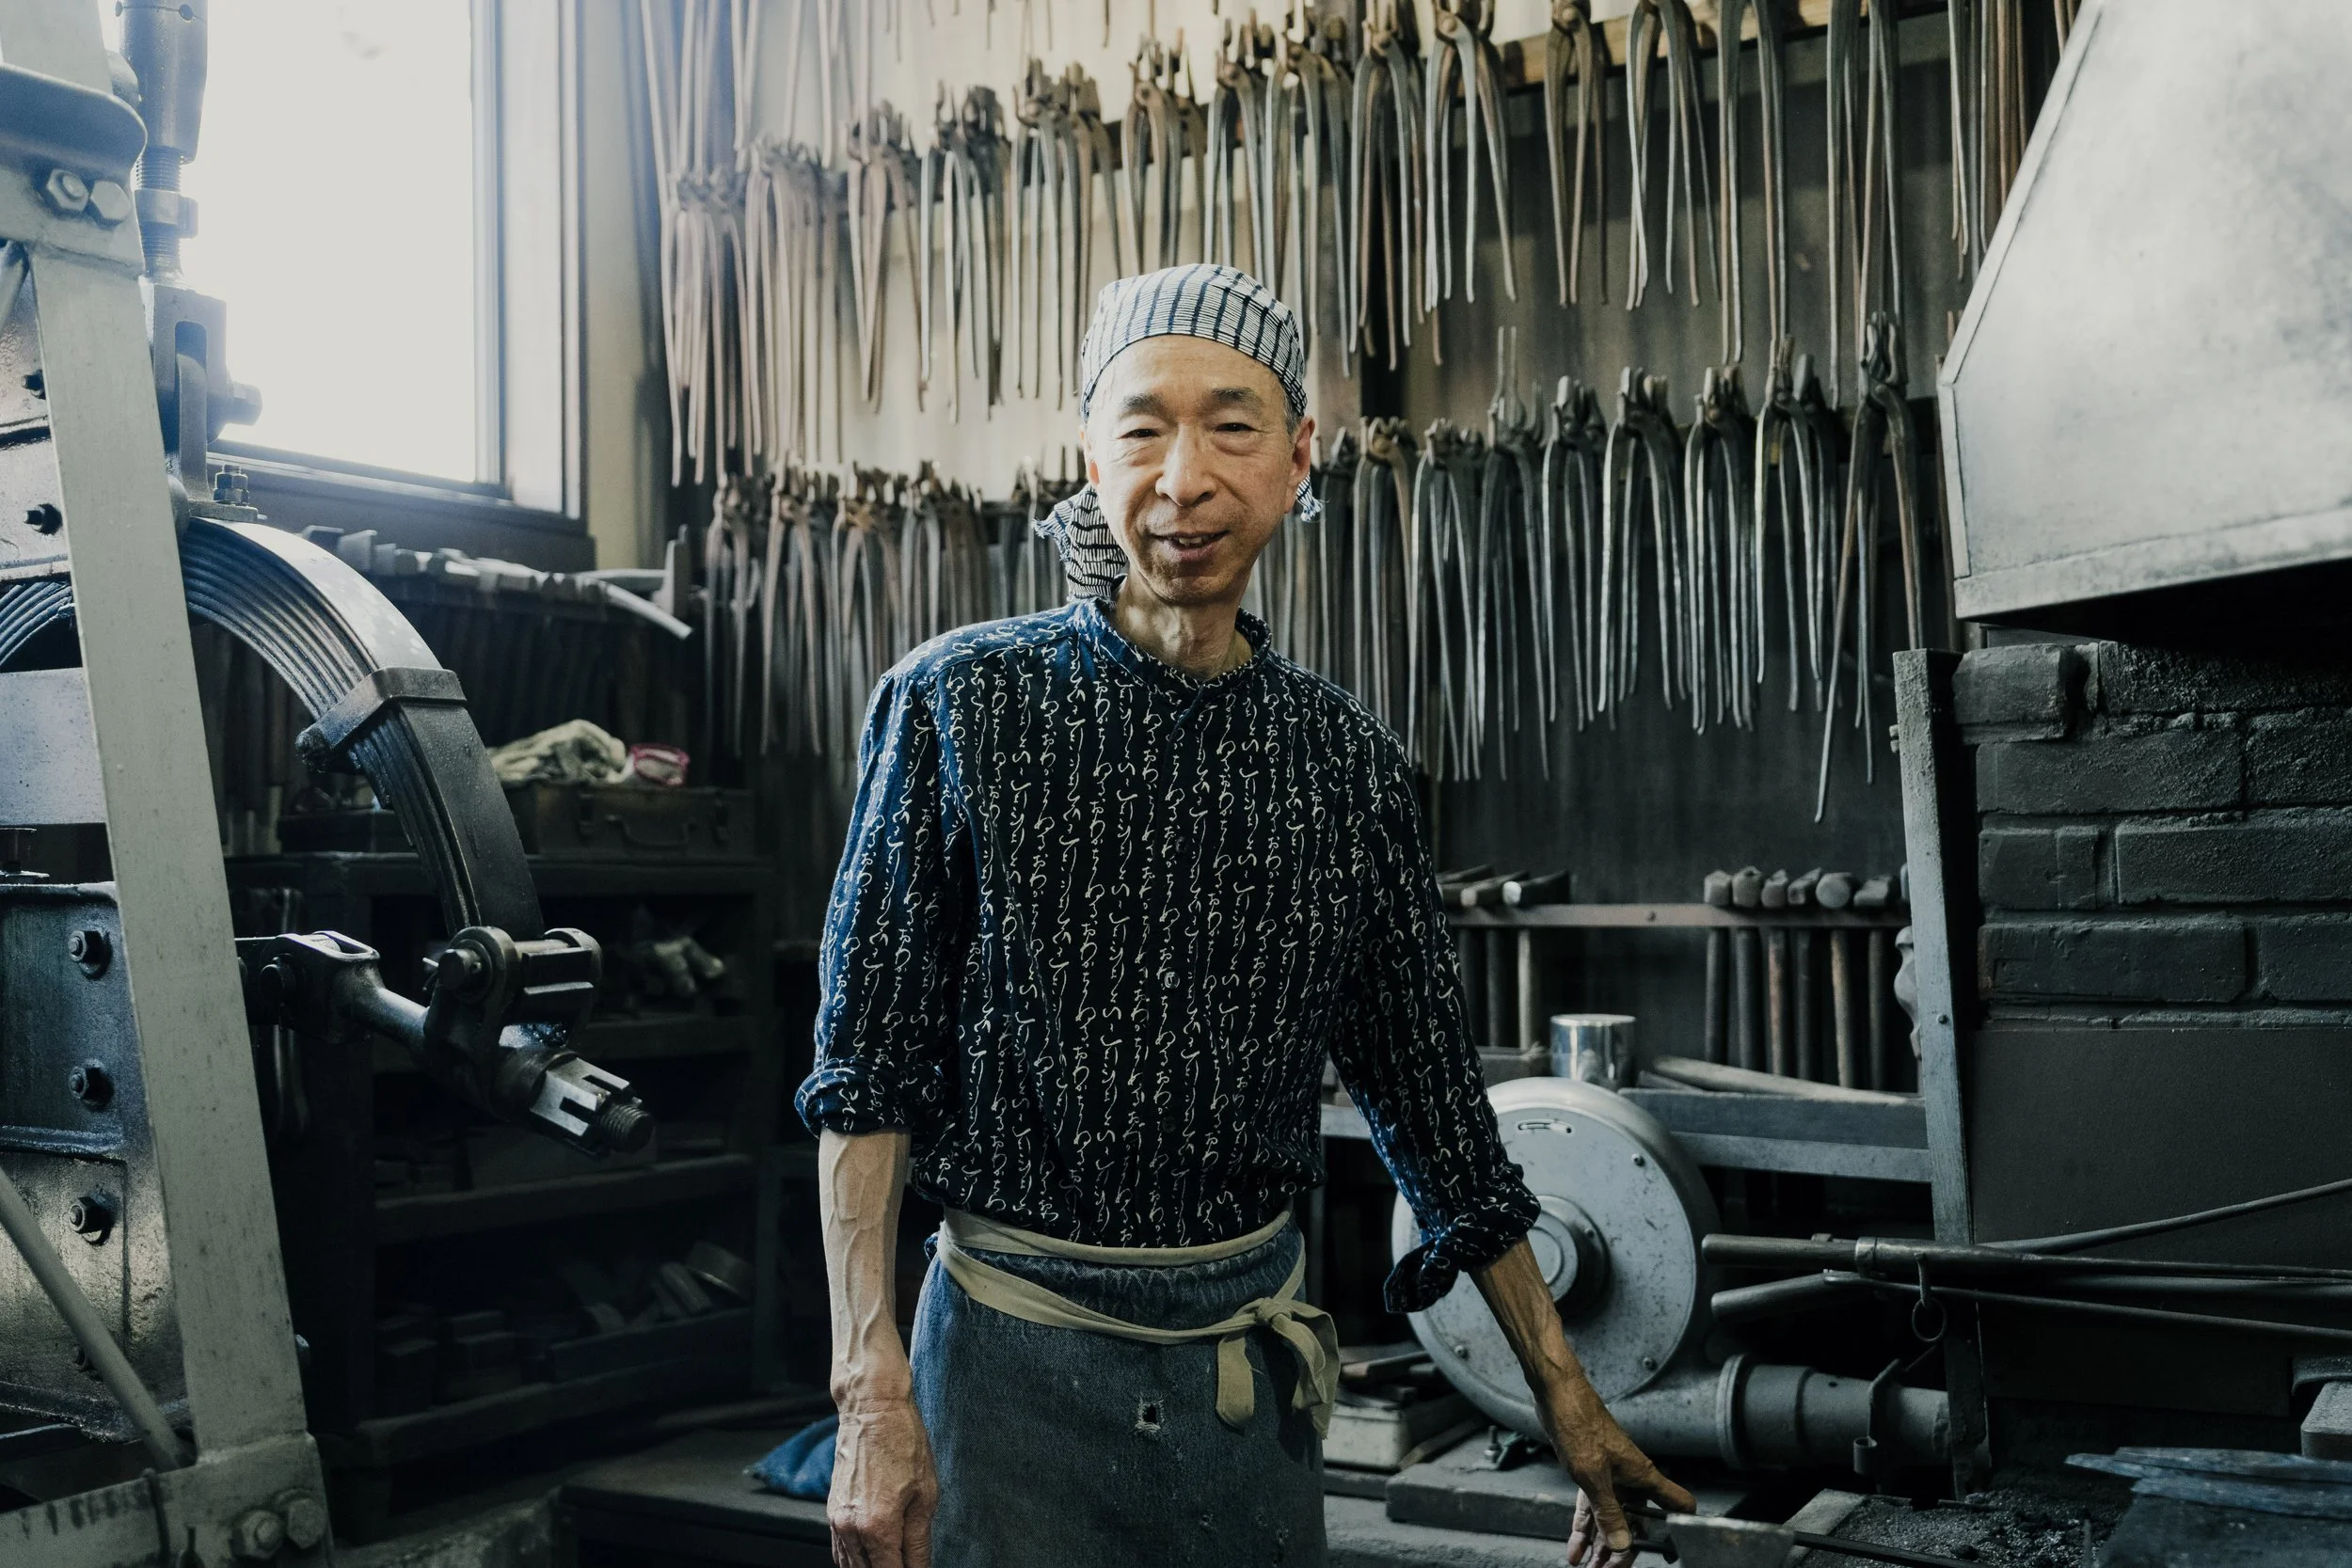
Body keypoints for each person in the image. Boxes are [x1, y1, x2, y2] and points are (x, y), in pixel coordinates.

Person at [800, 263, 1692, 1568]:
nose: (1184, 479)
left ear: (1298, 457)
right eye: (1142, 430)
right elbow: (863, 1071)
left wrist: (1567, 1393)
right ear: (1091, 458)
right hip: (1003, 1373)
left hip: (1247, 1393)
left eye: (1231, 426)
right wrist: (867, 1387)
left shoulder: (1345, 764)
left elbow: (1436, 1111)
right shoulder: (961, 705)